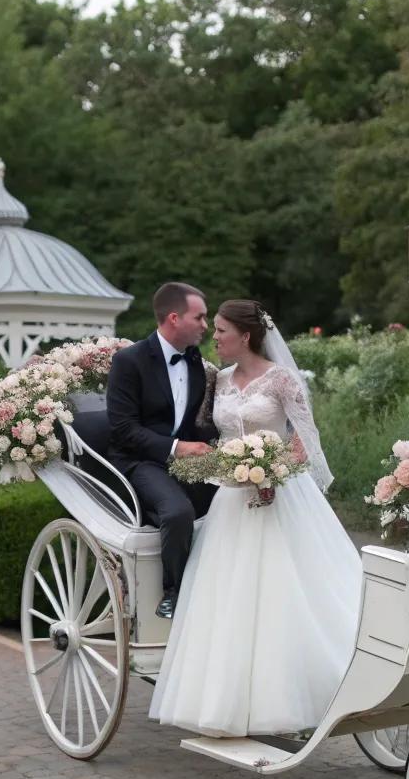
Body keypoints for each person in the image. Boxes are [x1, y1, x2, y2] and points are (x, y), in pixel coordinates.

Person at [149, 299, 363, 738]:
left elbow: (305, 440)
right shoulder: (217, 380)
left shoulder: (282, 379)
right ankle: (224, 704)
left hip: (281, 495)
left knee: (287, 593)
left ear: (245, 335)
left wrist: (274, 472)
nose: (215, 337)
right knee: (228, 597)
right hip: (231, 499)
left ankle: (309, 690)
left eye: (222, 330)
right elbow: (201, 433)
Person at [106, 282, 217, 619]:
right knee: (178, 512)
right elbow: (123, 429)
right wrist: (176, 448)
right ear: (174, 318)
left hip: (181, 461)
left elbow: (194, 423)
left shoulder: (196, 362)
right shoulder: (129, 361)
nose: (205, 325)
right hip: (138, 461)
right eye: (199, 317)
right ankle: (173, 593)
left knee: (234, 500)